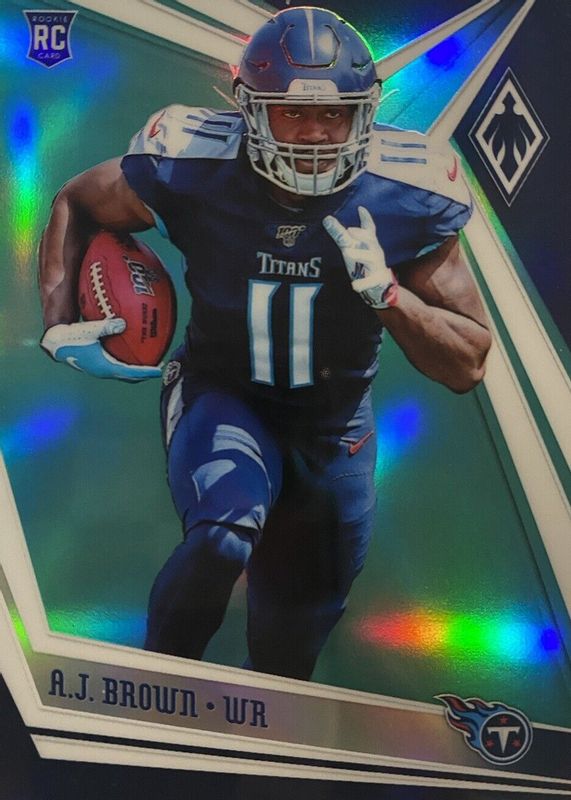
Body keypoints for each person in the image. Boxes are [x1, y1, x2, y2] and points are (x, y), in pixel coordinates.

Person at [39, 7, 491, 680]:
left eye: (333, 114)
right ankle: (153, 693)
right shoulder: (189, 163)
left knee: (290, 647)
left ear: (365, 115)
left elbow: (468, 362)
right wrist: (57, 322)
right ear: (249, 111)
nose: (313, 133)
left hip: (336, 431)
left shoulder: (405, 193)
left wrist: (390, 295)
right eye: (291, 113)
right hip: (225, 394)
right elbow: (77, 200)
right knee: (222, 535)